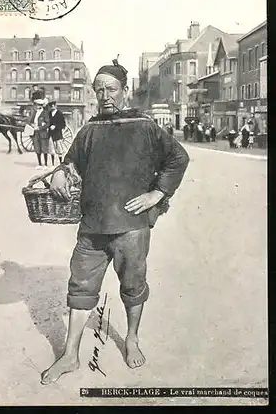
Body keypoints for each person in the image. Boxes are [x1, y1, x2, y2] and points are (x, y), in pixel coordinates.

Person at [40, 59, 190, 384]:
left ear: (124, 91)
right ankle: (69, 356)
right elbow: (70, 161)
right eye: (99, 90)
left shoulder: (145, 125)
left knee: (133, 287)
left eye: (111, 89)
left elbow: (178, 158)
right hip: (92, 226)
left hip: (131, 228)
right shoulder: (90, 129)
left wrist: (157, 194)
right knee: (80, 287)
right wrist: (60, 174)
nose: (104, 95)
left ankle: (132, 338)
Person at [28, 99, 50, 169]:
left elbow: (48, 123)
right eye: (36, 105)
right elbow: (31, 121)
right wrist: (32, 125)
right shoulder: (34, 113)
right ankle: (40, 164)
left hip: (43, 133)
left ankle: (45, 164)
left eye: (39, 105)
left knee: (44, 149)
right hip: (35, 133)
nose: (37, 106)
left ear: (41, 106)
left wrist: (40, 127)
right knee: (37, 148)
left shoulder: (45, 113)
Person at [48, 100, 67, 166]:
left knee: (59, 149)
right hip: (50, 134)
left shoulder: (59, 114)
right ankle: (53, 164)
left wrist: (55, 126)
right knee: (51, 150)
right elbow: (48, 122)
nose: (52, 107)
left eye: (54, 105)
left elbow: (63, 124)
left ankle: (60, 162)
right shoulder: (49, 113)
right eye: (51, 106)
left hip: (57, 134)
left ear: (56, 106)